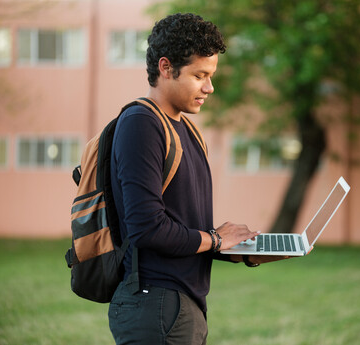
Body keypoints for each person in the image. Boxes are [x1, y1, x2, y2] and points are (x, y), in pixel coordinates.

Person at [108, 13, 288, 345]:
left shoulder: (188, 130)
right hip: (156, 304)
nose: (210, 87)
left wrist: (239, 251)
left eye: (211, 75)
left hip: (183, 306)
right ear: (165, 68)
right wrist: (216, 239)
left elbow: (184, 229)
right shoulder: (141, 124)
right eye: (199, 75)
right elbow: (146, 228)